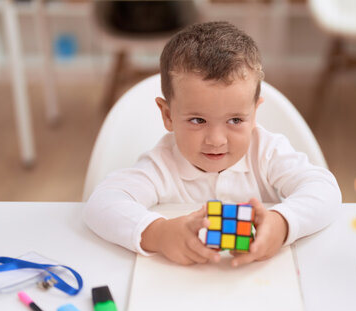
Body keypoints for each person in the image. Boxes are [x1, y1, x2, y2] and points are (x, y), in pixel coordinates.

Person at [83, 21, 342, 267]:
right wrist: (159, 234)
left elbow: (325, 189)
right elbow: (101, 203)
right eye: (198, 120)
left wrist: (282, 224)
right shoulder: (163, 164)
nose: (216, 140)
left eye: (236, 120)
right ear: (168, 115)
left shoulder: (266, 151)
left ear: (254, 113)